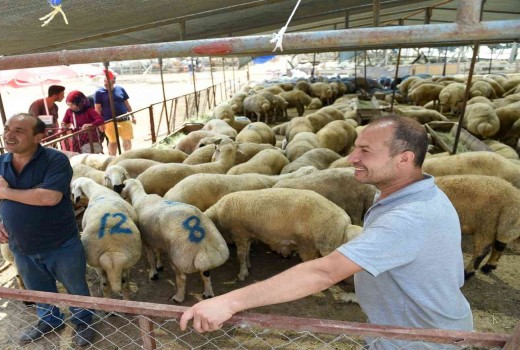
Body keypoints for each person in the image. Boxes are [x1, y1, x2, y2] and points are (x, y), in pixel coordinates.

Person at [180, 116, 473, 350]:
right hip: (404, 331)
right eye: (355, 147)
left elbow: (324, 272)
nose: (351, 158)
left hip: (420, 342)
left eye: (365, 151)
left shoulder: (409, 216)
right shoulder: (407, 195)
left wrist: (228, 302)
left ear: (404, 159)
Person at [0, 113, 96, 346]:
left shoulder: (55, 160)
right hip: (21, 245)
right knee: (37, 289)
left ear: (39, 136)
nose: (9, 135)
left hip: (61, 243)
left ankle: (83, 321)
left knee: (76, 287)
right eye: (7, 128)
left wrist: (6, 193)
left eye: (19, 131)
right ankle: (50, 320)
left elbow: (50, 197)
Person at [94, 72, 135, 155]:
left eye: (108, 81)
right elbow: (97, 109)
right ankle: (112, 158)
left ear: (114, 82)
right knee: (113, 141)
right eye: (105, 81)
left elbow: (127, 104)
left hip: (124, 118)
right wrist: (100, 123)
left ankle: (127, 156)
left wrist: (133, 116)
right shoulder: (99, 92)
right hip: (109, 121)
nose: (106, 83)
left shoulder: (121, 89)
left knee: (127, 139)